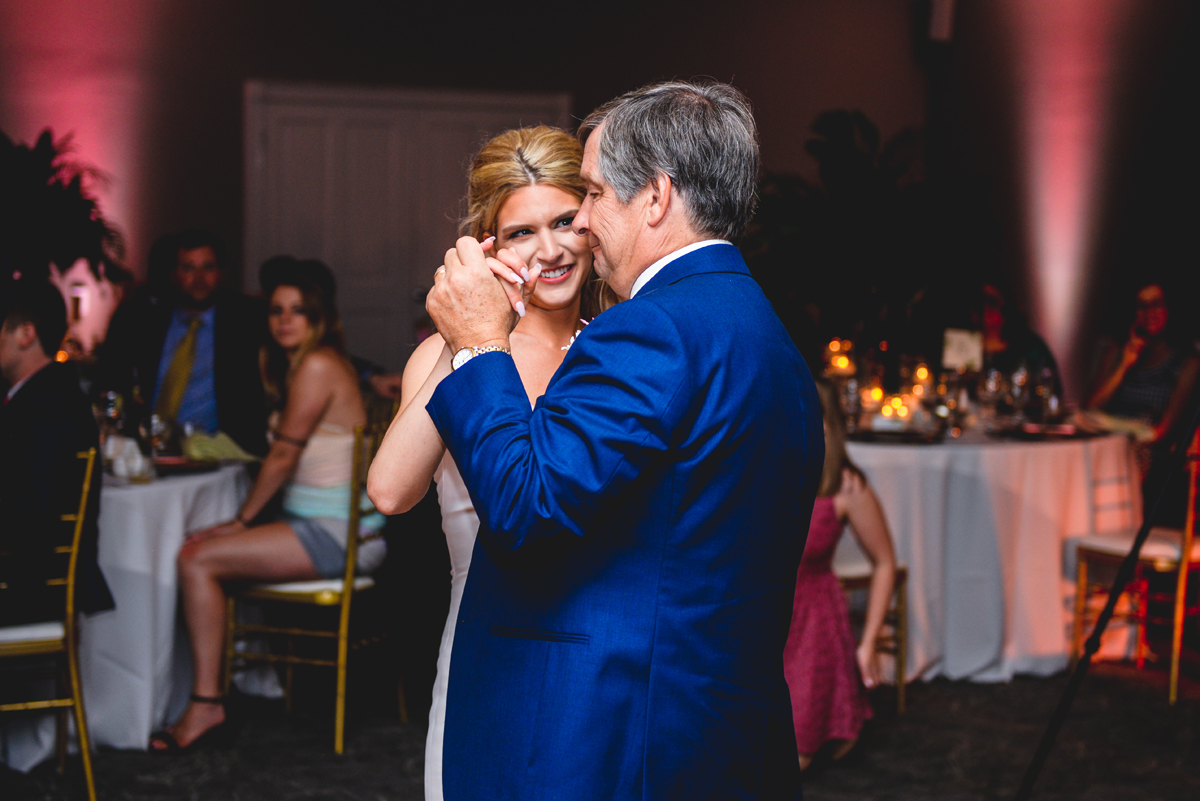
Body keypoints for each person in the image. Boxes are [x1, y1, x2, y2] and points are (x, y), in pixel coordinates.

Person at [412, 80, 824, 799]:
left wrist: (480, 343)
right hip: (715, 725)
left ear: (657, 197)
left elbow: (525, 506)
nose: (585, 222)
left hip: (620, 735)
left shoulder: (650, 326)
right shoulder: (767, 333)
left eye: (595, 195)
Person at [368, 125, 611, 801]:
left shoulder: (615, 352)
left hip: (596, 658)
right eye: (522, 232)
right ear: (490, 245)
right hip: (487, 647)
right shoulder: (447, 355)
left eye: (566, 220)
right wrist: (468, 336)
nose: (552, 249)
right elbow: (390, 490)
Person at [151, 258, 385, 752]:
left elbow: (282, 456)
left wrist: (239, 522)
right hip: (324, 526)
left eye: (297, 310)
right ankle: (212, 694)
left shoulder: (319, 363)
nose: (284, 319)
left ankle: (205, 703)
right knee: (200, 552)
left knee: (196, 558)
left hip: (339, 534)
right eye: (277, 310)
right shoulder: (302, 364)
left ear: (317, 316)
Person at [783, 380, 896, 770]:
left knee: (792, 758)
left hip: (815, 626)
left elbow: (885, 562)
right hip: (765, 618)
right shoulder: (764, 473)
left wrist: (869, 644)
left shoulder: (847, 486)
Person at [0, 278, 113, 626]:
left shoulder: (50, 408)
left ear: (25, 335)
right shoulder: (40, 396)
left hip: (28, 585)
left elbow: (32, 511)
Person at [96, 229, 268, 456]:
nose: (199, 279)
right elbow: (111, 382)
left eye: (208, 268)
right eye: (188, 268)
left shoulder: (247, 322)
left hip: (219, 455)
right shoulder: (144, 320)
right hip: (148, 449)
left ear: (221, 273)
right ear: (173, 274)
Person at [1087, 281, 1200, 444]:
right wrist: (1124, 366)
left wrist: (1129, 439)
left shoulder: (1187, 362)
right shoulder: (1118, 351)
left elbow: (1163, 430)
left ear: (1169, 309)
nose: (1149, 312)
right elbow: (1091, 408)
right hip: (1106, 441)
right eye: (1142, 305)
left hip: (1145, 447)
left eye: (1156, 304)